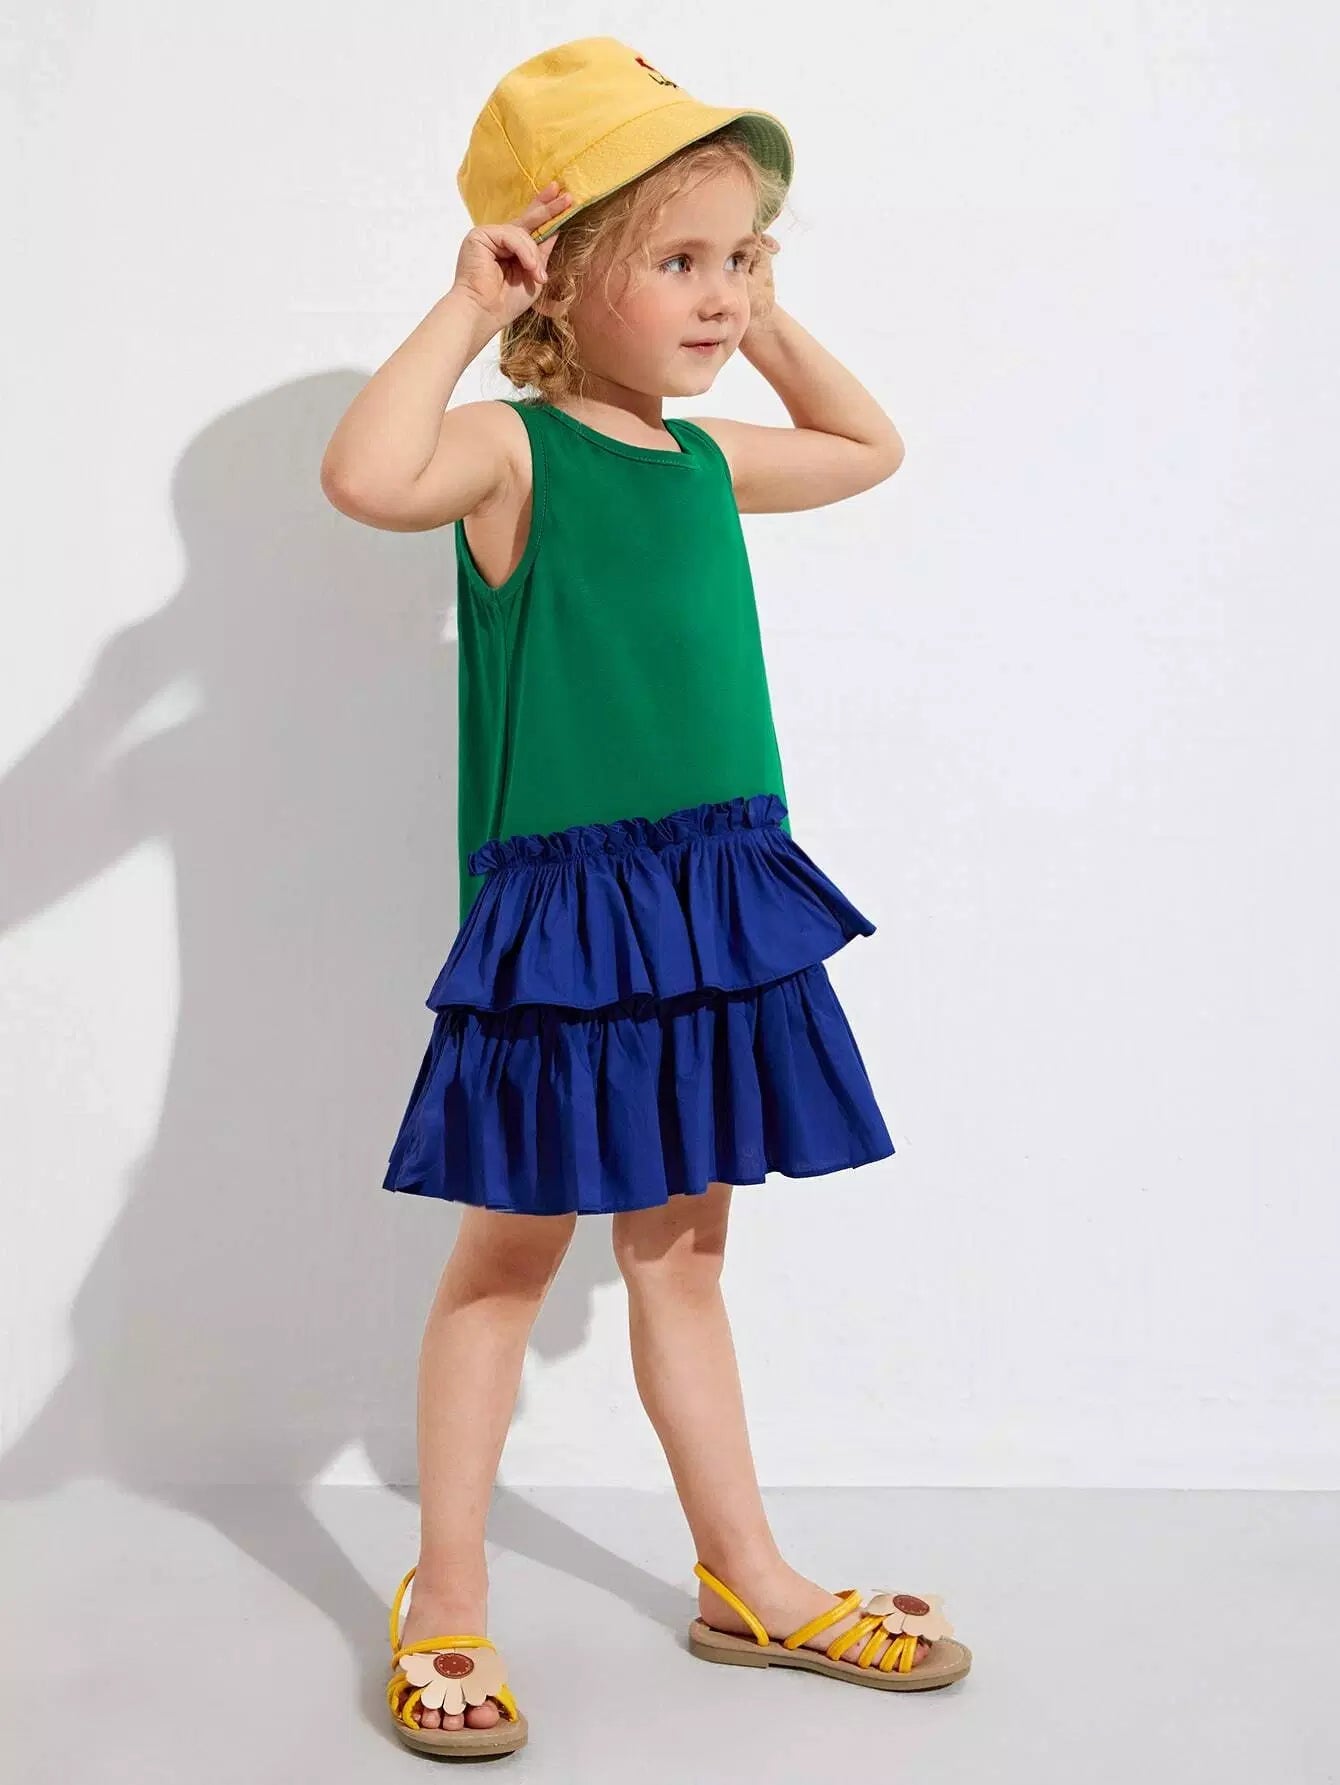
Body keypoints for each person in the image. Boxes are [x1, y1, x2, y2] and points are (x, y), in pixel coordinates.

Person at [321, 35, 972, 1762]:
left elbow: (870, 443)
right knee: (505, 1256)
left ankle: (746, 1574)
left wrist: (763, 319)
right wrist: (465, 308)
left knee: (685, 1255)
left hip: (711, 907)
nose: (721, 293)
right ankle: (446, 1591)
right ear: (555, 271)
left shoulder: (703, 461)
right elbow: (366, 477)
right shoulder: (512, 453)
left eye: (742, 256)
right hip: (570, 928)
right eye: (679, 259)